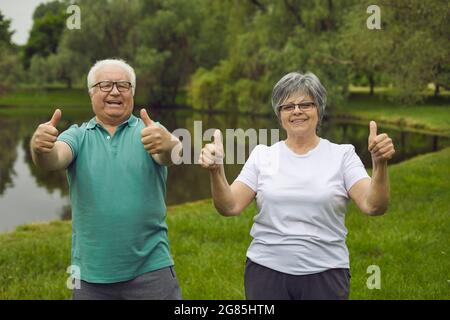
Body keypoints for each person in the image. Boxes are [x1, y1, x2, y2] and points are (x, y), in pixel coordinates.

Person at [199, 71, 395, 300]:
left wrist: (379, 164)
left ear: (319, 109)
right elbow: (229, 206)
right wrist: (216, 170)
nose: (297, 111)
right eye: (288, 106)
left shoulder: (342, 155)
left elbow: (374, 206)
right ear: (279, 114)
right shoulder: (263, 155)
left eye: (306, 104)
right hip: (266, 273)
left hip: (326, 274)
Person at [30, 59, 182, 300]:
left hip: (151, 270)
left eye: (123, 85)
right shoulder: (78, 135)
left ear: (132, 93)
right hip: (91, 276)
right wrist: (40, 148)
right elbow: (53, 158)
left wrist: (169, 144)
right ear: (91, 94)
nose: (114, 91)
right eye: (105, 85)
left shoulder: (149, 132)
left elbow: (170, 152)